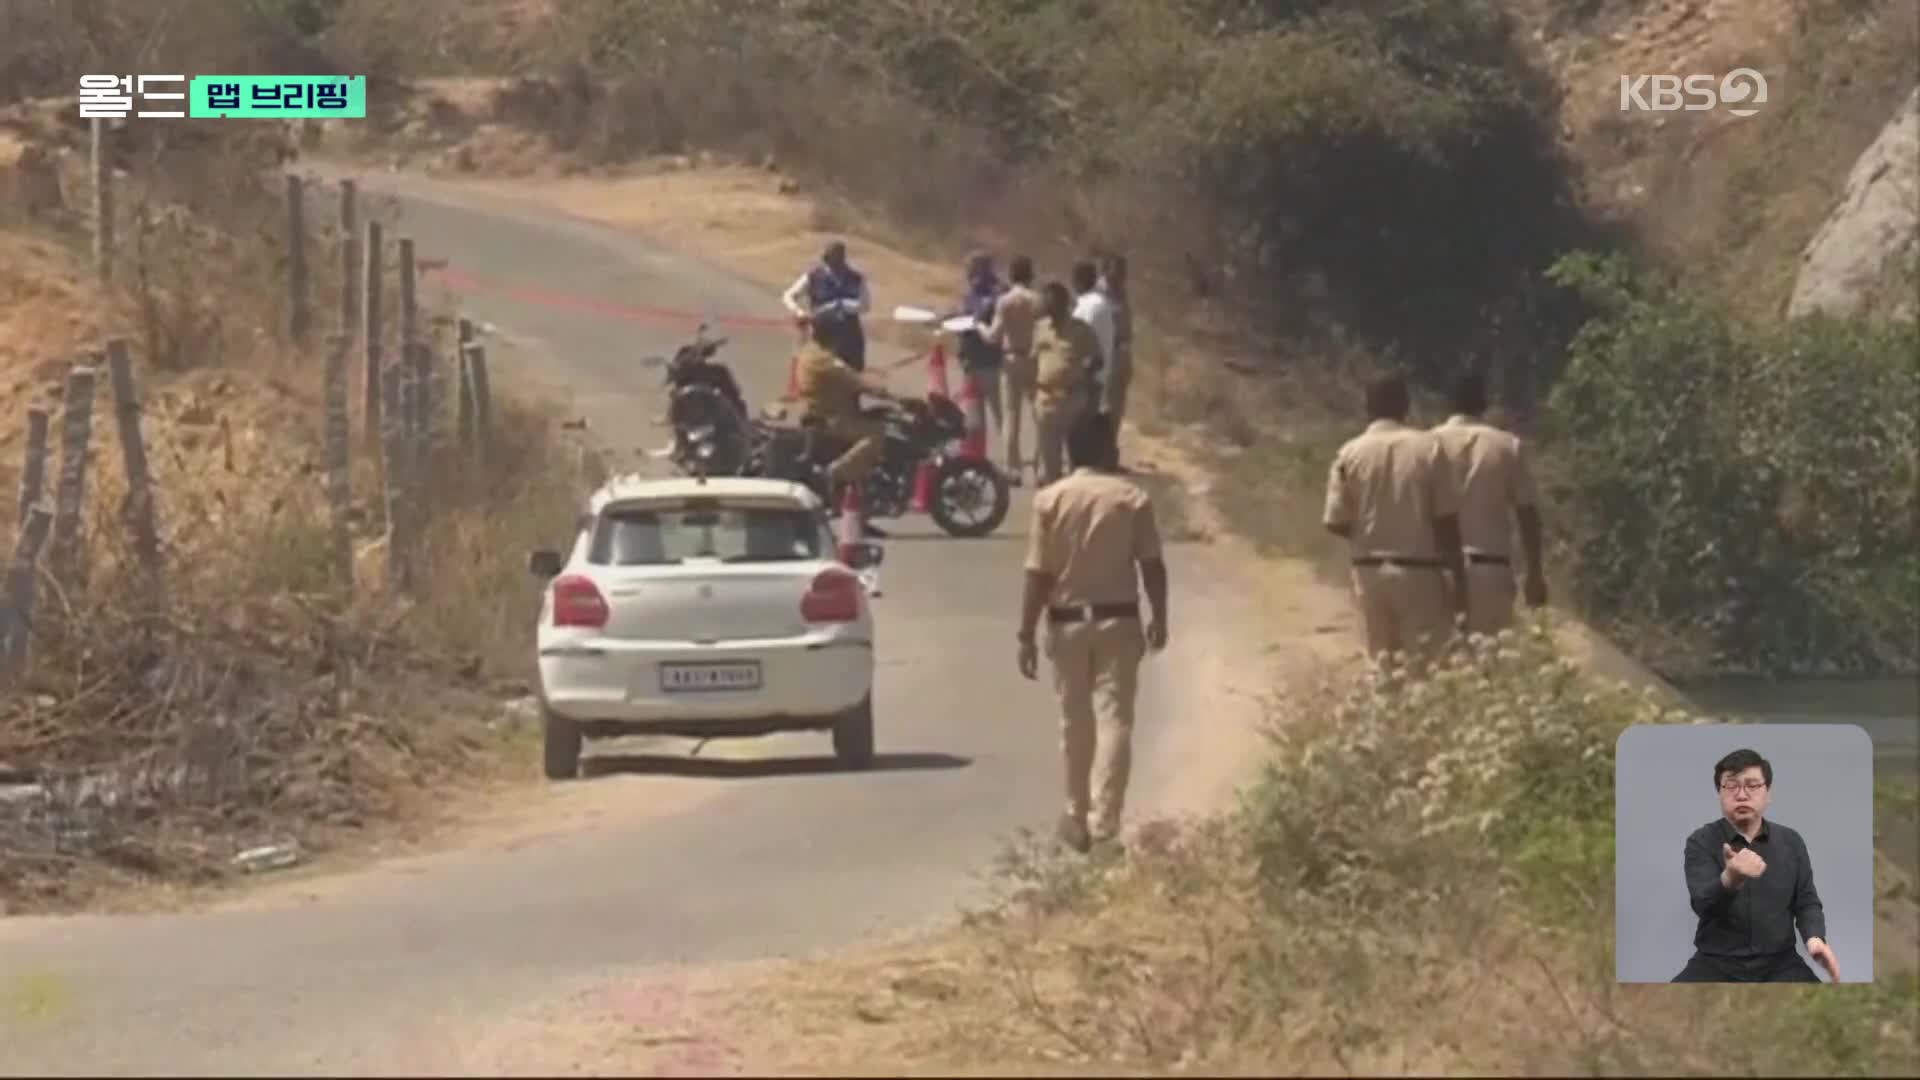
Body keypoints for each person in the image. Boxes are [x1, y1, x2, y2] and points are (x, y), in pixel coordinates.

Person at [1017, 409, 1168, 854]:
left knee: (1074, 721)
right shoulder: (1131, 498)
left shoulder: (1050, 500)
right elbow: (1152, 565)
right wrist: (1159, 615)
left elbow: (1037, 573)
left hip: (1066, 622)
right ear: (1106, 448)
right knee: (1115, 720)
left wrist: (1025, 632)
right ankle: (1106, 825)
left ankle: (1075, 813)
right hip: (1119, 619)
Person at [1321, 372, 1468, 669]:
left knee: (1380, 664)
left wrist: (1369, 534)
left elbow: (1335, 521)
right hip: (1419, 571)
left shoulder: (1349, 453)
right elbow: (1446, 520)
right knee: (1426, 666)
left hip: (1369, 572)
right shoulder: (1430, 448)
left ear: (1367, 408)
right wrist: (1459, 580)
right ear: (1405, 406)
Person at [1673, 748, 1839, 983]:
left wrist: (1815, 940)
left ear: (1767, 793)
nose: (1742, 795)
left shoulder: (1791, 842)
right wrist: (1731, 878)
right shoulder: (1701, 841)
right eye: (1731, 786)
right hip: (1716, 962)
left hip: (1781, 964)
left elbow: (1806, 902)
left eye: (1752, 785)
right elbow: (1701, 903)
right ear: (1719, 793)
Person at [1429, 371, 1548, 637]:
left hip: (1437, 572)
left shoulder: (1426, 445)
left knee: (1441, 664)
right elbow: (1527, 514)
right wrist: (1534, 572)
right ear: (1484, 403)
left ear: (1448, 403)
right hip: (1491, 569)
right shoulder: (1507, 446)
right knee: (1491, 665)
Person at [792, 315, 900, 535]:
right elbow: (857, 382)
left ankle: (859, 514)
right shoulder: (826, 361)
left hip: (819, 415)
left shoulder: (809, 352)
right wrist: (890, 394)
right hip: (832, 419)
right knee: (878, 433)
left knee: (867, 446)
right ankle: (835, 472)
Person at [1030, 280, 1102, 485]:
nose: (1048, 309)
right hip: (1046, 400)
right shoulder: (1040, 329)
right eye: (1046, 304)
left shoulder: (1081, 330)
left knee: (1075, 460)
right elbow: (1034, 359)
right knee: (1050, 459)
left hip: (1072, 400)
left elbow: (1097, 359)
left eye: (1052, 304)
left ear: (1063, 304)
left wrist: (1081, 377)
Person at [985, 254, 1043, 485]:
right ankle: (1041, 466)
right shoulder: (1038, 300)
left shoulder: (1006, 301)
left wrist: (979, 326)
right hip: (1034, 358)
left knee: (1011, 416)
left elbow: (993, 336)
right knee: (1039, 416)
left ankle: (1012, 469)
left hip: (1011, 359)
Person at [781, 240, 872, 371]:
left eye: (836, 258)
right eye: (829, 259)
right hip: (822, 333)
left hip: (850, 336)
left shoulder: (857, 279)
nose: (833, 263)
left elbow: (865, 305)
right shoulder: (813, 277)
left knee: (853, 376)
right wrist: (800, 312)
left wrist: (842, 306)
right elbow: (788, 296)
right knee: (821, 373)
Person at [957, 250, 1008, 456]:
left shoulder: (998, 293)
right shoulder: (972, 293)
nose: (968, 273)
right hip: (971, 361)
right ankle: (976, 457)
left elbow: (987, 321)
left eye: (971, 268)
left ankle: (1009, 457)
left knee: (1001, 416)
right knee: (973, 416)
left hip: (992, 363)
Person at [1097, 254, 1135, 436]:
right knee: (1104, 403)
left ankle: (1110, 445)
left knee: (1118, 404)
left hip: (1122, 352)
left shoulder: (1122, 292)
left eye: (1124, 270)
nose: (1122, 274)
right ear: (1107, 270)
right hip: (1106, 352)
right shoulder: (1098, 292)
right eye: (1117, 269)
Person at [1071, 259, 1116, 400]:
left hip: (1088, 380)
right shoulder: (1097, 302)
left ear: (1080, 281)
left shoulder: (1091, 306)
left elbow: (1084, 344)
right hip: (1094, 378)